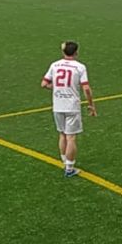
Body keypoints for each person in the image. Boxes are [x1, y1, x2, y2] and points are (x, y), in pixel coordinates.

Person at [41, 41, 96, 178]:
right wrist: (91, 105)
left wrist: (58, 88)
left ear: (63, 52)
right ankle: (70, 168)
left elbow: (44, 84)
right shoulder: (80, 67)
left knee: (62, 134)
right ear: (76, 52)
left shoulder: (54, 65)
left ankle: (65, 161)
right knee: (71, 137)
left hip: (57, 105)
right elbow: (86, 88)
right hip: (72, 106)